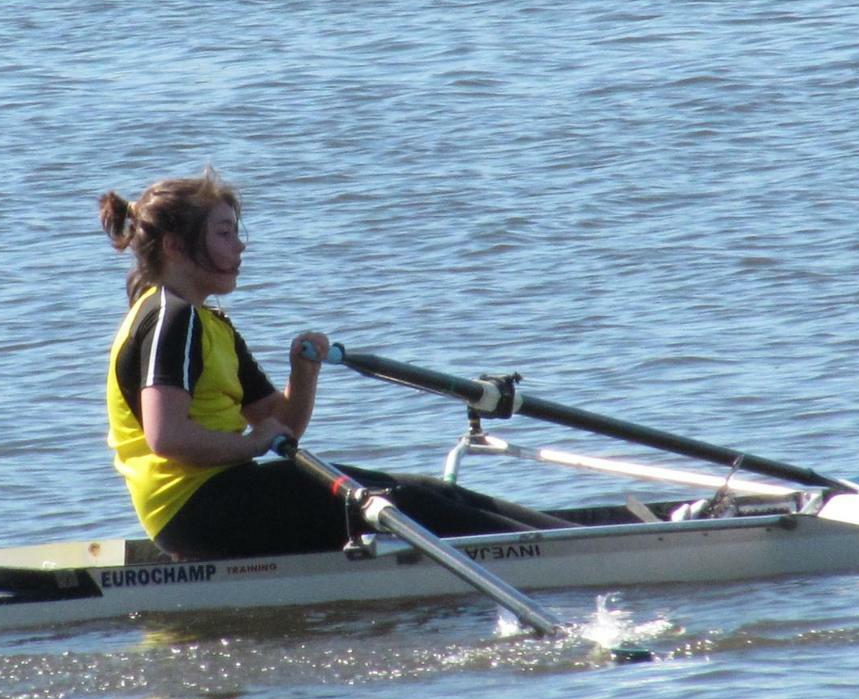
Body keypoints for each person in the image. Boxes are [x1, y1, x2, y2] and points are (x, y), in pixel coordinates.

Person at [100, 168, 571, 559]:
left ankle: (565, 535)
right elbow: (168, 438)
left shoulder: (208, 321)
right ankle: (566, 553)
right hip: (198, 511)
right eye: (224, 234)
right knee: (402, 503)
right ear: (175, 247)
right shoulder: (170, 319)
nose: (240, 246)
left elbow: (282, 424)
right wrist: (252, 445)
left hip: (227, 494)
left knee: (427, 492)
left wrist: (302, 374)